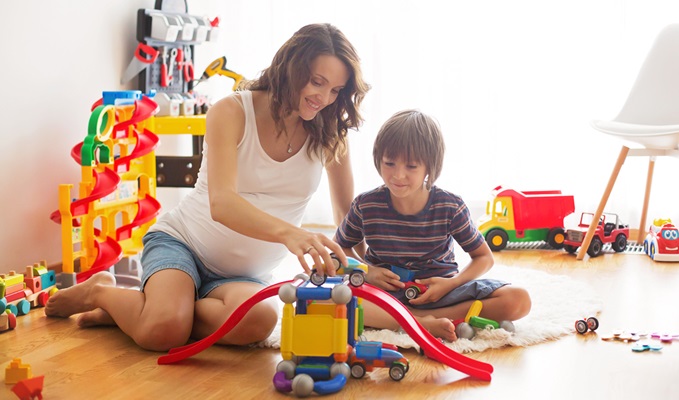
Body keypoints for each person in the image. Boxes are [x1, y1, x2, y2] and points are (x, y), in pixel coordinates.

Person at [46, 23, 371, 351]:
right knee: (162, 333)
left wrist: (368, 266)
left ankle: (148, 309)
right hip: (184, 245)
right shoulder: (233, 110)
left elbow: (348, 217)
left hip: (243, 277)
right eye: (317, 82)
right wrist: (291, 234)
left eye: (335, 90)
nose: (324, 98)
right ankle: (102, 291)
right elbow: (223, 203)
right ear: (291, 66)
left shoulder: (330, 133)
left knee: (260, 320)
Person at [334, 109, 531, 341]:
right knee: (329, 295)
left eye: (411, 166)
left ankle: (408, 319)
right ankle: (420, 322)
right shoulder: (365, 205)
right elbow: (339, 250)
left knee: (519, 300)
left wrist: (451, 284)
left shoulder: (450, 205)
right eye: (389, 163)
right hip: (385, 295)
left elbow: (484, 257)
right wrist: (368, 272)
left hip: (443, 294)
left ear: (430, 166)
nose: (398, 175)